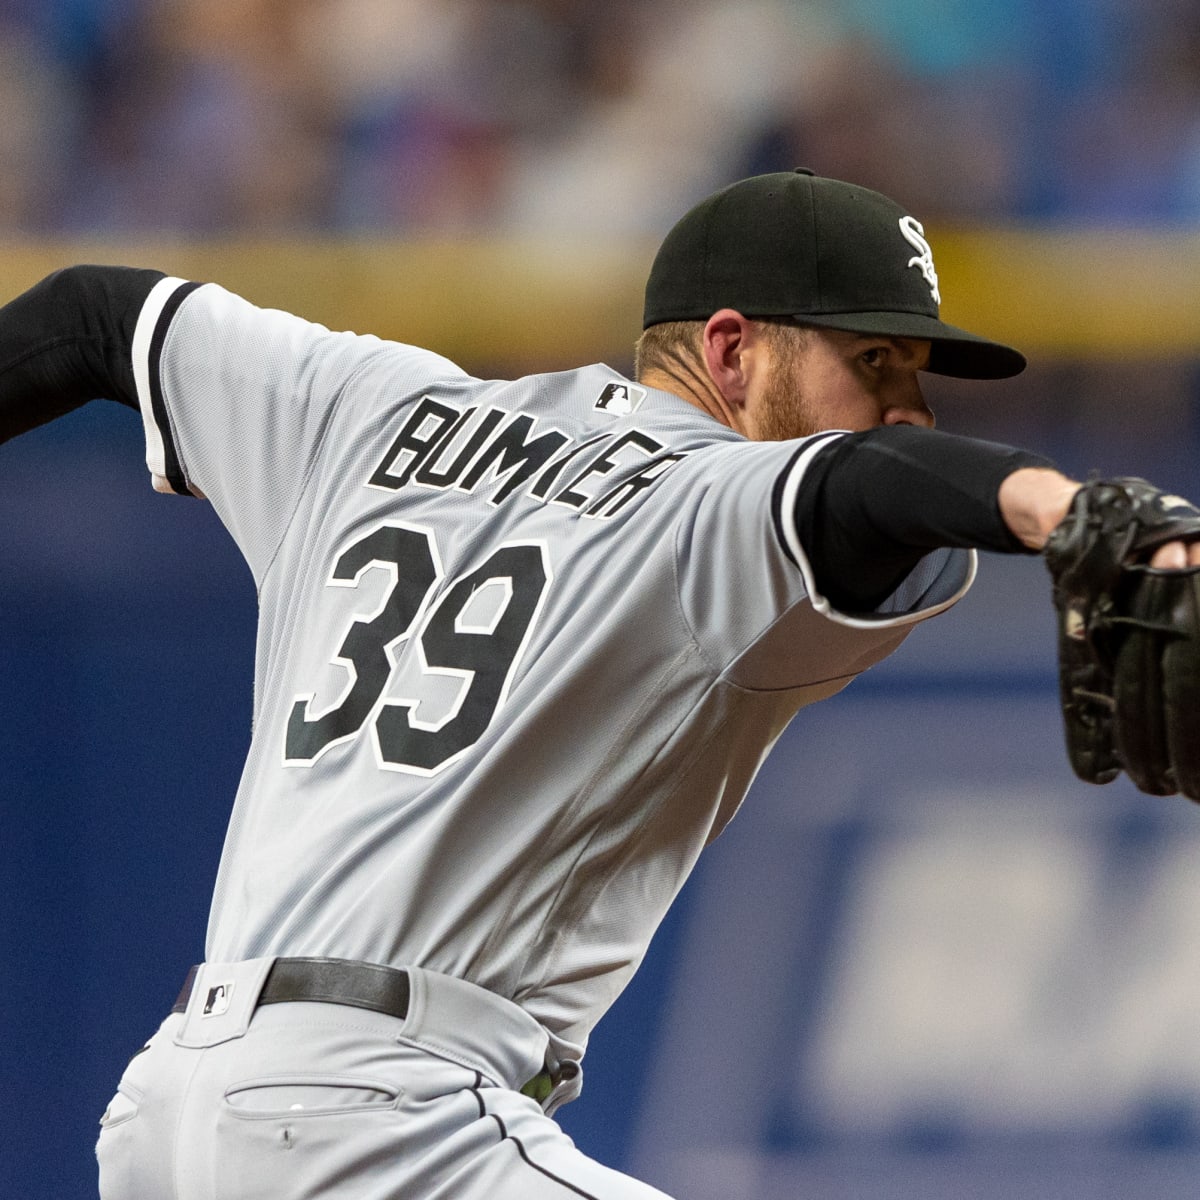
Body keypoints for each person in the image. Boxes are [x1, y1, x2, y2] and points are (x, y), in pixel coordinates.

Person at [2, 168, 1198, 1200]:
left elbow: (91, 317)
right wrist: (1066, 508)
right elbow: (866, 478)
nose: (907, 400)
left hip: (170, 1117)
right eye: (872, 358)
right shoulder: (702, 497)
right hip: (384, 1122)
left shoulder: (373, 408)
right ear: (731, 349)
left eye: (918, 369)